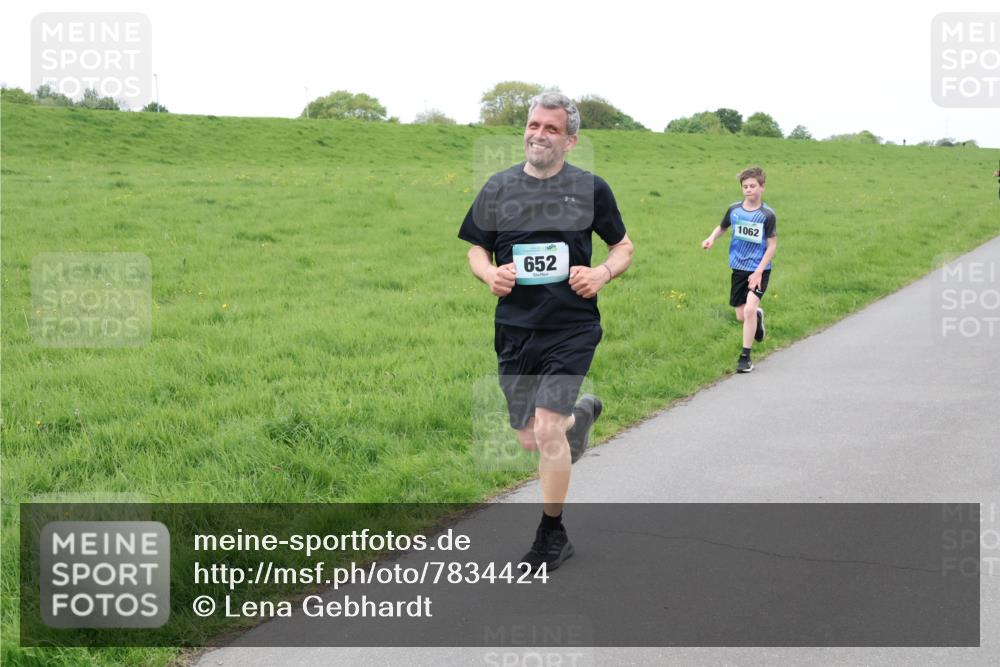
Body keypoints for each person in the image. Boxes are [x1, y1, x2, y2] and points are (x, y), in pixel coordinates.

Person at [458, 91, 634, 572]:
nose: (538, 134)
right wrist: (488, 273)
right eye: (534, 124)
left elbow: (623, 246)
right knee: (530, 438)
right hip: (515, 329)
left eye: (551, 128)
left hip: (571, 326)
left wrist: (602, 273)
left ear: (571, 140)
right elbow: (476, 248)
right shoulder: (498, 188)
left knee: (547, 429)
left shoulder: (590, 189)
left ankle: (551, 534)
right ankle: (580, 414)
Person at [701, 166, 778, 373]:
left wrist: (759, 271)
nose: (748, 190)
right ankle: (757, 318)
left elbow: (772, 246)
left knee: (750, 309)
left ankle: (745, 357)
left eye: (753, 186)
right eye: (745, 186)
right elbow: (723, 227)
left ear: (762, 187)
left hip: (759, 268)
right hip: (738, 267)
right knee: (741, 316)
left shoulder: (767, 215)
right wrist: (711, 238)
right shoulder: (734, 210)